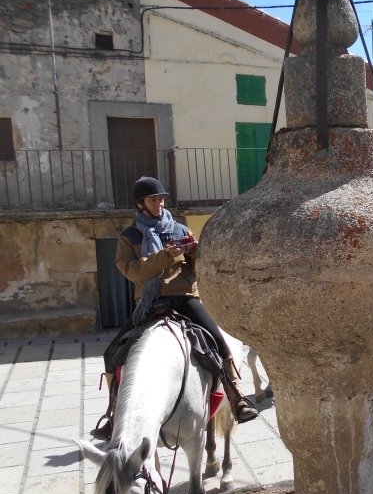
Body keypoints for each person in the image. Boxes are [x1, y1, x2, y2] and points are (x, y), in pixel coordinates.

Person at [91, 177, 257, 440]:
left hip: (184, 297)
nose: (160, 203)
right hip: (151, 302)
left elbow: (194, 268)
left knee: (218, 340)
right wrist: (165, 256)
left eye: (161, 199)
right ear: (140, 204)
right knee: (112, 352)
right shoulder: (129, 237)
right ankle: (113, 414)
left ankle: (237, 397)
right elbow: (132, 271)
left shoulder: (179, 229)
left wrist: (194, 252)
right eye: (153, 199)